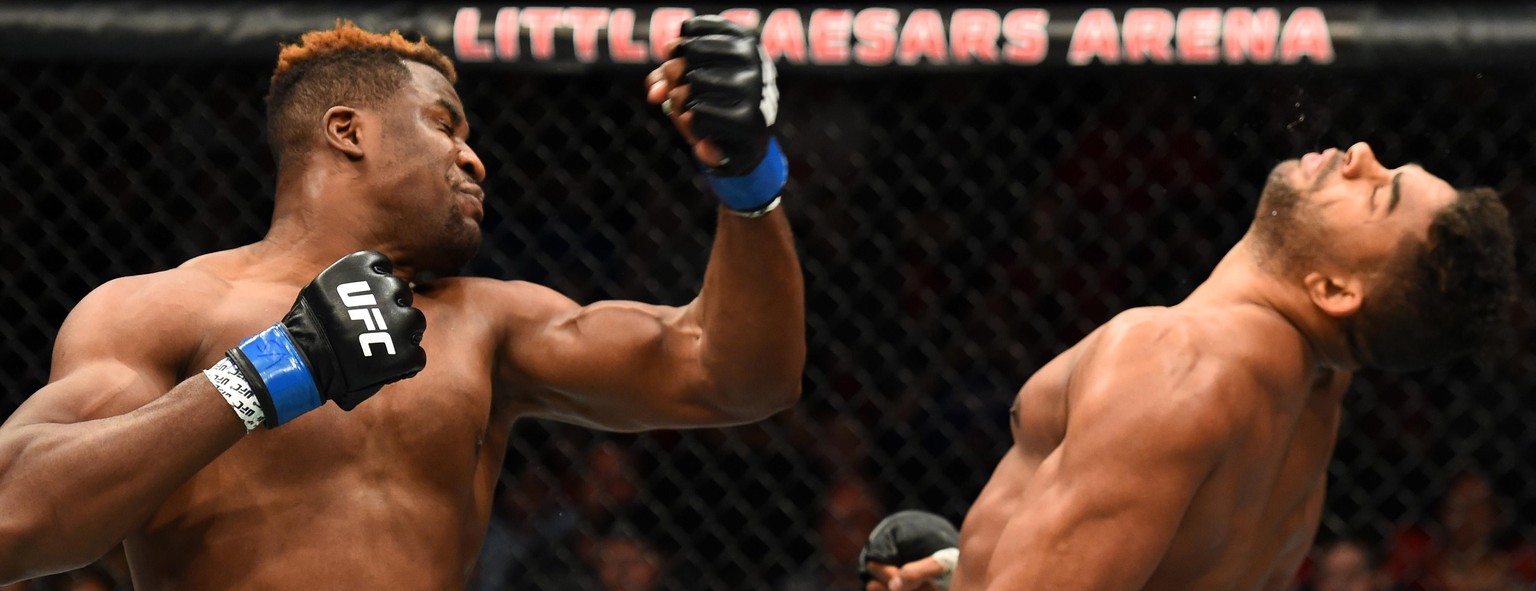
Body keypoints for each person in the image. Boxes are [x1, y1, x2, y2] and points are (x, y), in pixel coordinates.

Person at [0, 16, 804, 588]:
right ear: (349, 131)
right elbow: (12, 519)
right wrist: (268, 371)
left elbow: (734, 376)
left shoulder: (489, 322)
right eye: (444, 125)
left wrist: (749, 183)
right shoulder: (165, 310)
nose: (475, 159)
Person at [861, 143, 1516, 591]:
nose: (1362, 155)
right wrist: (967, 569)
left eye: (1377, 192)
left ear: (1336, 290)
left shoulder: (1175, 364)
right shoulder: (1315, 393)